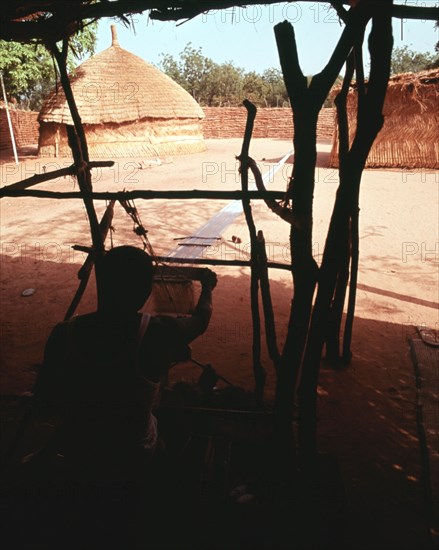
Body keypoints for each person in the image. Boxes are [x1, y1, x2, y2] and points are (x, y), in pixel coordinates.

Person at [33, 245, 217, 481]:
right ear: (145, 290)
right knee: (181, 400)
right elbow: (201, 319)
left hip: (78, 448)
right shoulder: (155, 332)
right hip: (132, 451)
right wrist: (208, 286)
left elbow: (44, 403)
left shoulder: (63, 334)